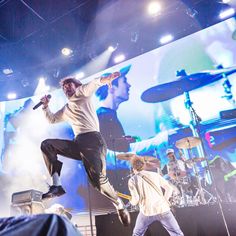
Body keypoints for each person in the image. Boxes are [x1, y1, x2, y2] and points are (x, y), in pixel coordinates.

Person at [39, 72, 130, 226]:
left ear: (77, 86)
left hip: (93, 141)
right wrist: (45, 106)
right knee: (47, 145)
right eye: (64, 88)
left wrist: (104, 80)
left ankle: (119, 204)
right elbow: (52, 119)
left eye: (69, 86)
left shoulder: (82, 93)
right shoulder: (67, 109)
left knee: (98, 183)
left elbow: (93, 83)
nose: (67, 89)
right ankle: (56, 186)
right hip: (78, 143)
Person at [128, 155, 184, 236]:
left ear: (133, 168)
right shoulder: (154, 175)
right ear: (143, 165)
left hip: (147, 212)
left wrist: (131, 200)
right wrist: (164, 200)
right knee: (177, 234)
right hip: (163, 210)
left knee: (137, 234)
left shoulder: (132, 180)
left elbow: (135, 201)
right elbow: (169, 188)